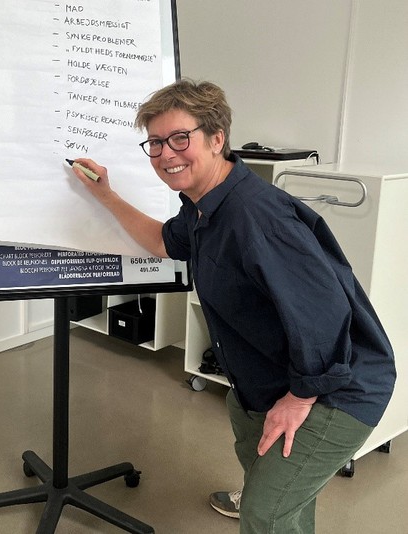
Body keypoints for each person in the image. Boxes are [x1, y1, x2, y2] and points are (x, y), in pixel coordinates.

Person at [70, 79, 396, 533]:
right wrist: (105, 194)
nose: (165, 154)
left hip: (333, 387)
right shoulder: (203, 206)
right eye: (156, 143)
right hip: (265, 378)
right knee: (279, 497)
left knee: (264, 512)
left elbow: (323, 315)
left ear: (216, 138)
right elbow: (163, 241)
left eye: (180, 138)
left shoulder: (257, 217)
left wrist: (300, 397)